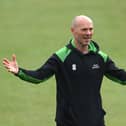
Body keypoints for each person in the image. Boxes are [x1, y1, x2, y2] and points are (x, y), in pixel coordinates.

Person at [2, 15, 126, 126]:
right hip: (68, 121)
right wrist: (19, 72)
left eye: (91, 29)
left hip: (95, 120)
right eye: (84, 29)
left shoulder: (100, 57)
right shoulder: (61, 57)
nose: (88, 33)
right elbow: (39, 76)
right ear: (73, 31)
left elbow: (120, 76)